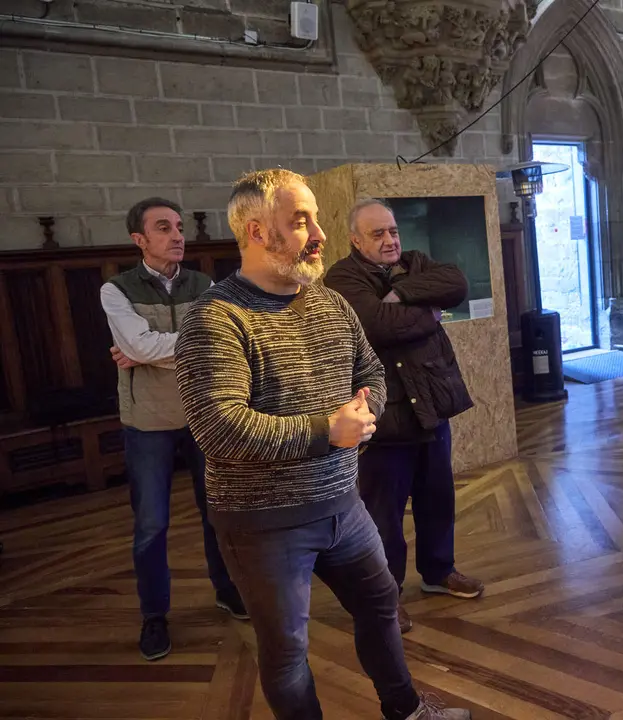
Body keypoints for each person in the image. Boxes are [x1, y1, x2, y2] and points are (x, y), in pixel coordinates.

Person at [174, 169, 469, 720]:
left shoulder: (329, 304)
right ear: (257, 231)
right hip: (263, 519)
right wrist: (327, 431)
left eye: (315, 219)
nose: (320, 234)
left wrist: (366, 412)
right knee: (287, 651)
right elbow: (218, 427)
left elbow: (371, 371)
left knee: (381, 607)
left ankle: (406, 710)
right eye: (301, 221)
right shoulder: (215, 319)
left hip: (342, 504)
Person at [323, 198, 483, 636]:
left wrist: (403, 293)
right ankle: (386, 593)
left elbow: (456, 283)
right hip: (384, 415)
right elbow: (378, 325)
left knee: (438, 498)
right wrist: (429, 313)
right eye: (378, 234)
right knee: (383, 515)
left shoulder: (414, 263)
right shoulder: (341, 277)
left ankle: (439, 571)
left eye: (393, 231)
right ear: (355, 240)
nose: (390, 240)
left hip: (430, 404)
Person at [100, 197, 246, 662]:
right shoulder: (116, 290)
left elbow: (220, 339)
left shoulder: (204, 284)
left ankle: (227, 589)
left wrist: (144, 351)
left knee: (217, 512)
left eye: (179, 226)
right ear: (139, 239)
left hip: (203, 416)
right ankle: (154, 616)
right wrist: (149, 348)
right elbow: (146, 344)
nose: (178, 235)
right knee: (151, 525)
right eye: (164, 227)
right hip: (147, 422)